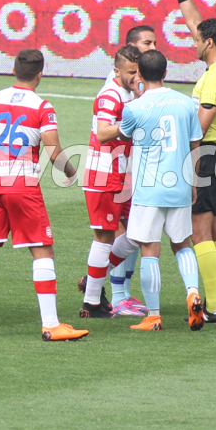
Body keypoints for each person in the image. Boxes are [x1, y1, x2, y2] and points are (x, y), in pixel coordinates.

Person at [0, 49, 88, 341]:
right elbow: (53, 152)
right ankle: (51, 324)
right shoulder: (42, 106)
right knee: (42, 250)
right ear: (40, 74)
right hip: (22, 186)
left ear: (13, 69)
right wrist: (70, 172)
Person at [168, 0, 216, 324]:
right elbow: (195, 20)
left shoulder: (214, 81)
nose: (193, 43)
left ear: (208, 43)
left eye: (196, 40)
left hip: (207, 155)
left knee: (199, 231)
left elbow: (200, 125)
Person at [117, 50, 205, 332]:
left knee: (149, 249)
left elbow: (125, 134)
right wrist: (192, 182)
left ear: (139, 74)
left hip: (149, 189)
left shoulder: (135, 107)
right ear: (166, 72)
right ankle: (193, 292)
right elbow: (195, 146)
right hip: (179, 184)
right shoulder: (185, 104)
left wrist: (136, 95)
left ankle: (153, 315)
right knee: (182, 244)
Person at [92, 24, 157, 310]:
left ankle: (106, 288)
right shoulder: (116, 88)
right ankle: (115, 294)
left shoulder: (135, 84)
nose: (152, 48)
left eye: (154, 43)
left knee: (132, 232)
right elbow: (105, 131)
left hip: (129, 169)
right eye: (147, 43)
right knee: (121, 233)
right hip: (111, 170)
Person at [79, 45, 146, 318]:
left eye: (138, 71)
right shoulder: (110, 95)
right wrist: (132, 122)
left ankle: (92, 283)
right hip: (105, 174)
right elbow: (104, 132)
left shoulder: (129, 94)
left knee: (135, 234)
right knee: (105, 238)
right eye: (131, 72)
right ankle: (91, 303)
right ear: (116, 71)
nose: (135, 77)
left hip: (122, 174)